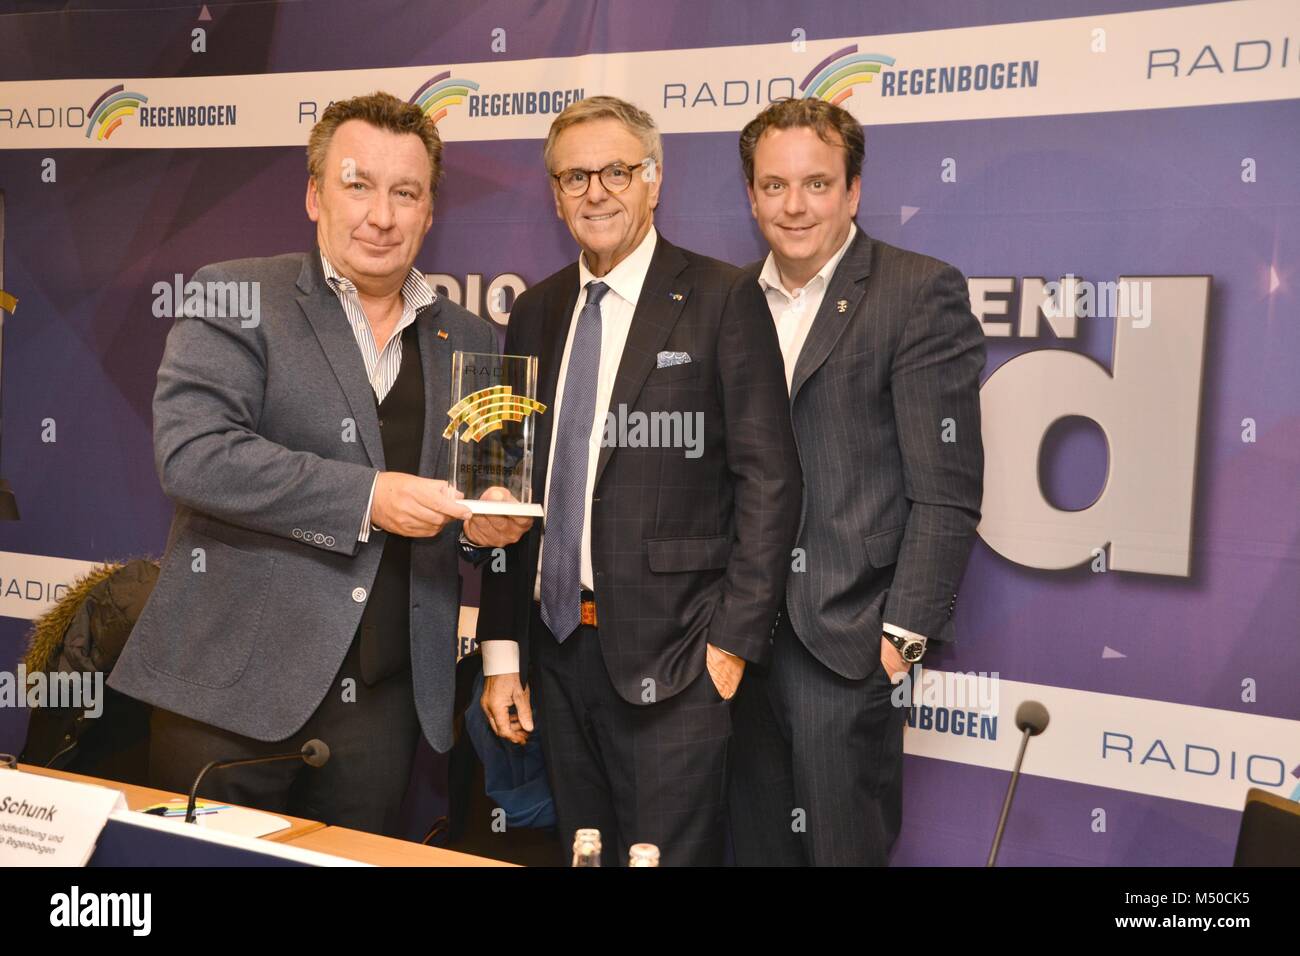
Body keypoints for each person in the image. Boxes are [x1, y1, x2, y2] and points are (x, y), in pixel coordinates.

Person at [110, 91, 527, 837]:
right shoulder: (236, 295)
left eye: (406, 193)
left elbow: (473, 499)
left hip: (384, 705)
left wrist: (485, 526)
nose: (382, 214)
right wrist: (369, 497)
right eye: (358, 184)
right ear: (314, 194)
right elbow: (196, 456)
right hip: (229, 694)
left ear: (430, 211)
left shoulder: (470, 338)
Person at [475, 96, 800, 866]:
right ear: (555, 195)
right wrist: (501, 654)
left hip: (680, 659)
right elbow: (503, 493)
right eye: (575, 176)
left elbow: (771, 481)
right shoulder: (535, 311)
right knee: (581, 855)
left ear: (653, 180)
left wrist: (730, 649)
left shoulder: (723, 299)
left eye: (616, 171)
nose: (596, 191)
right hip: (554, 655)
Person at [728, 97, 985, 866]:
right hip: (733, 645)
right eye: (773, 186)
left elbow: (947, 488)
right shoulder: (726, 300)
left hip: (846, 647)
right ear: (750, 196)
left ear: (854, 192)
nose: (794, 205)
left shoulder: (917, 293)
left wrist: (899, 639)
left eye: (816, 183)